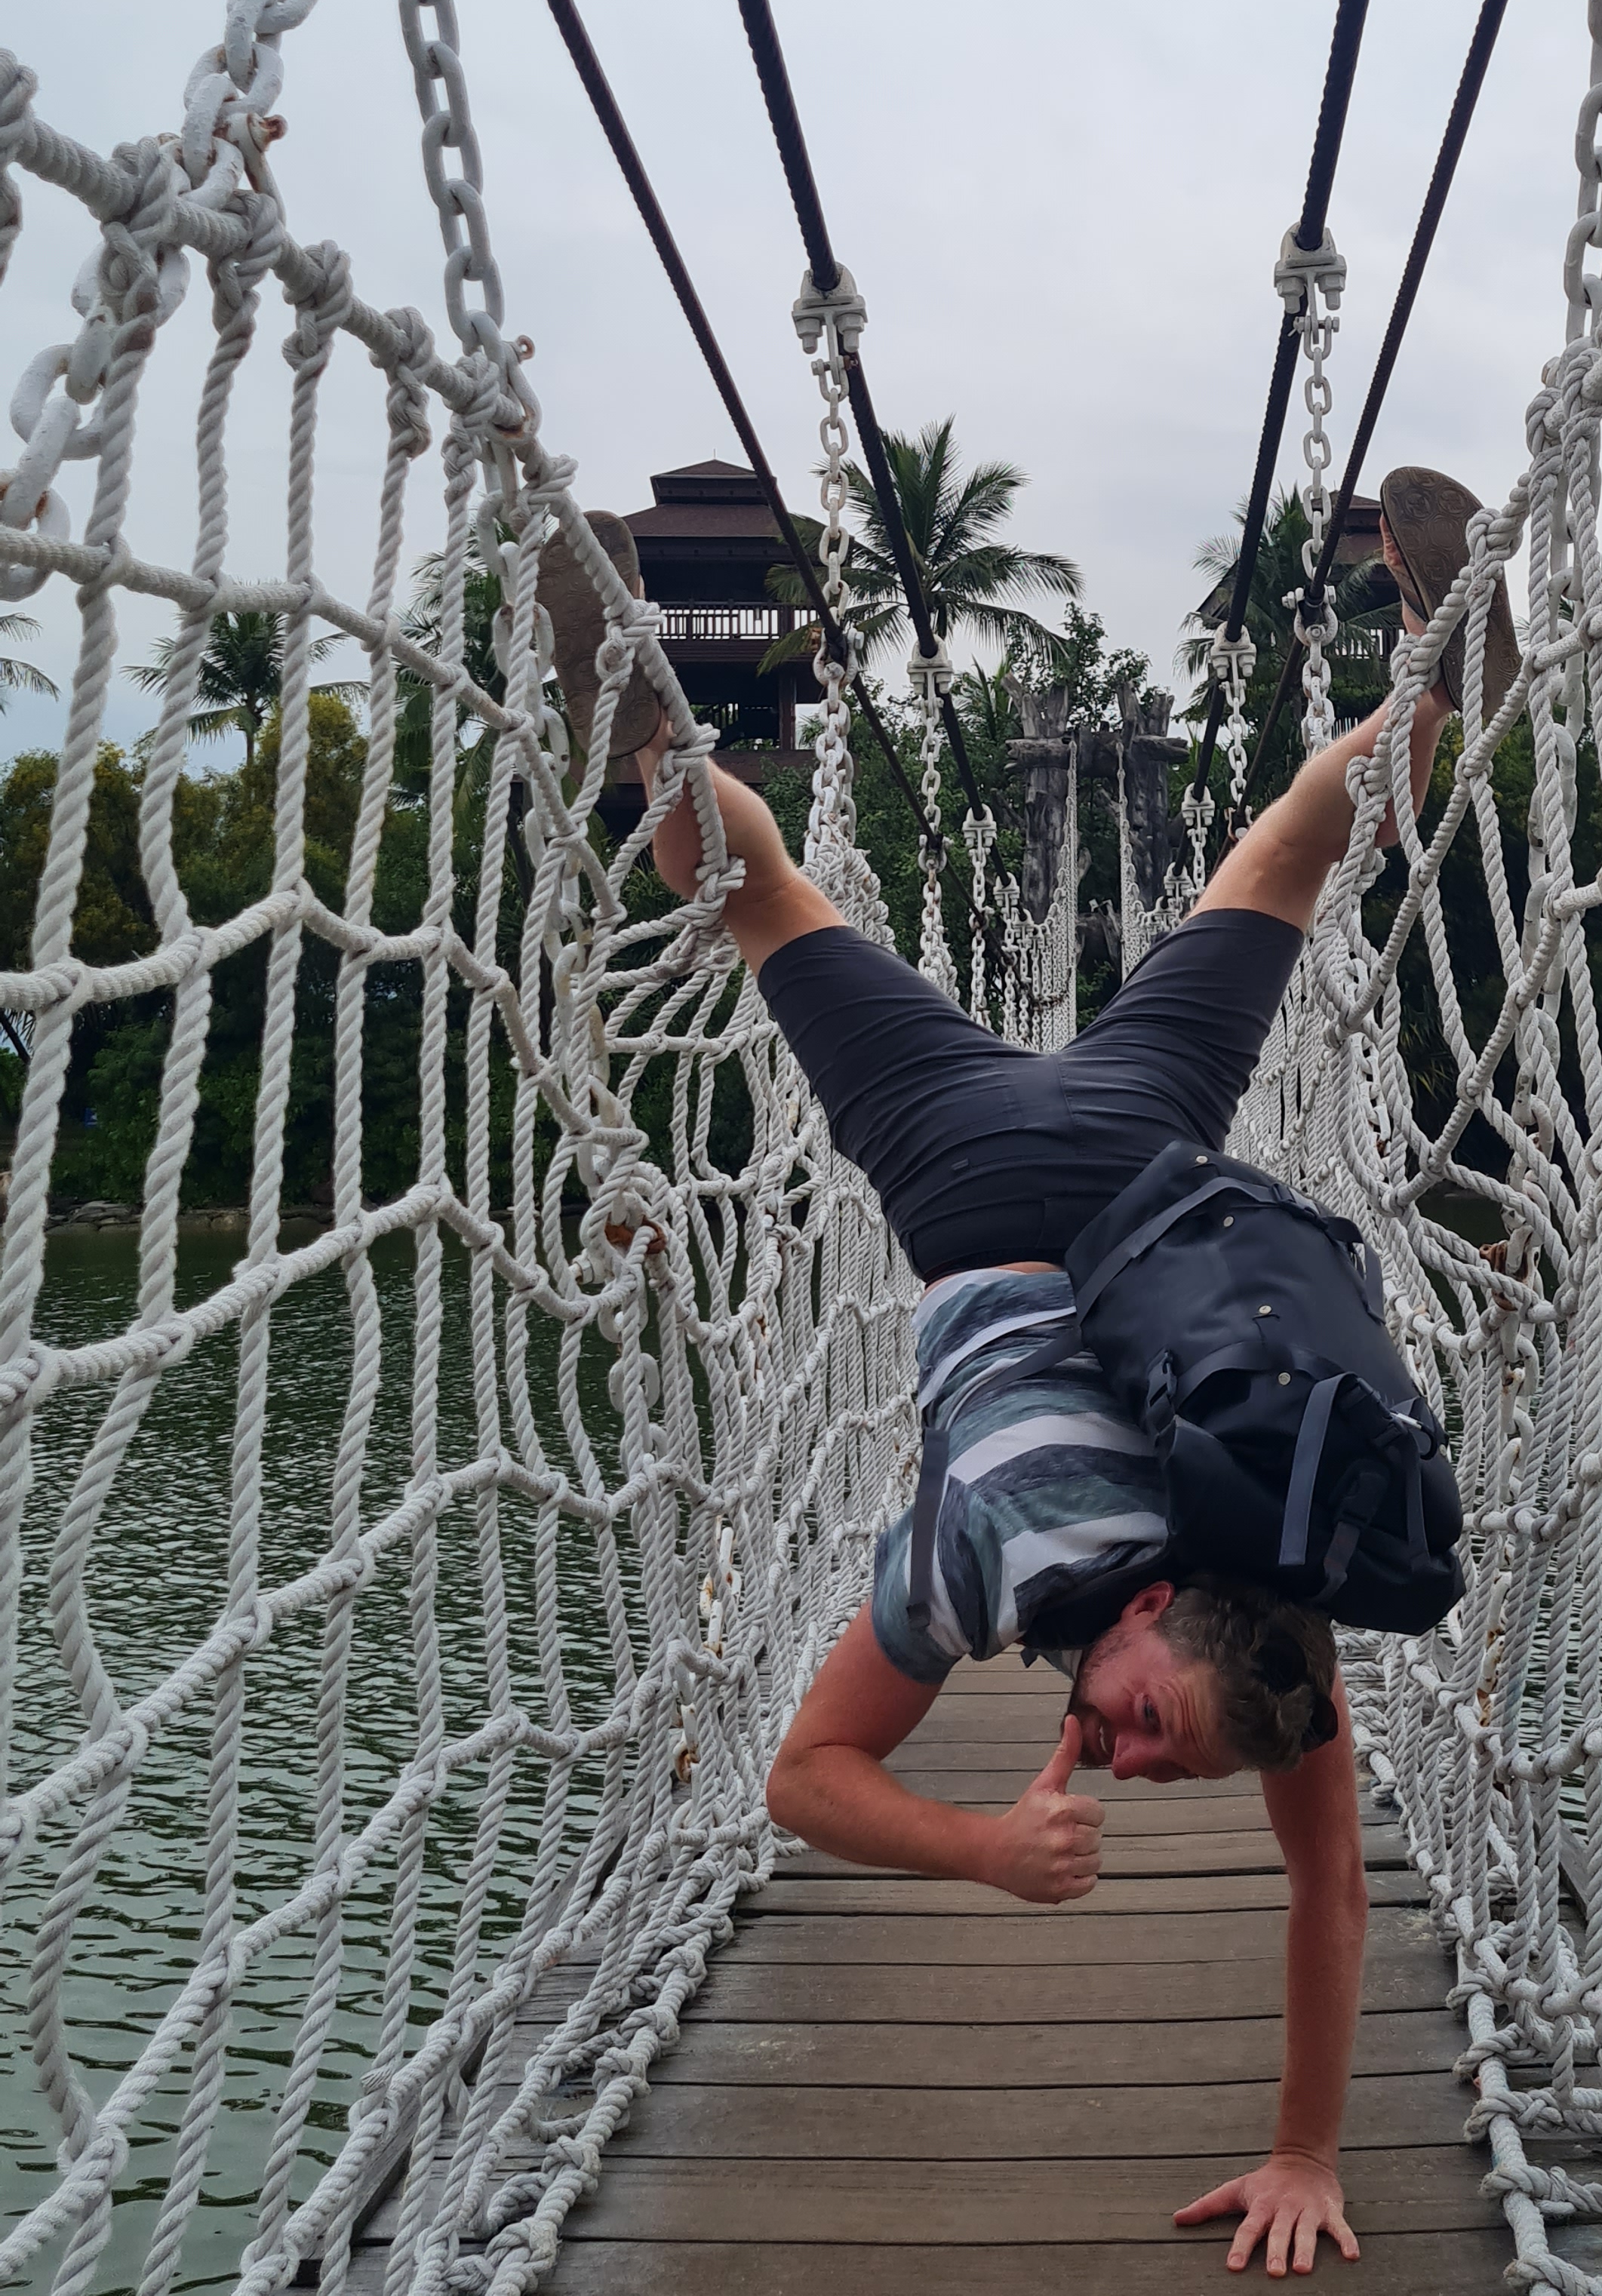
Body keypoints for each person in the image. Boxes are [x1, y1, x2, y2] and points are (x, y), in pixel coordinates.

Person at [540, 468, 1515, 2282]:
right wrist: (982, 1853)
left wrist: (1308, 2147)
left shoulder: (1282, 1576)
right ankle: (654, 740)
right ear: (1153, 1612)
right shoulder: (988, 1553)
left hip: (1145, 1159)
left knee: (1276, 859)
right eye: (1155, 1729)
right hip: (972, 1178)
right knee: (770, 906)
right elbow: (807, 1777)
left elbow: (1320, 1875)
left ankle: (1433, 686)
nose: (1132, 1765)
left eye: (1139, 1755)